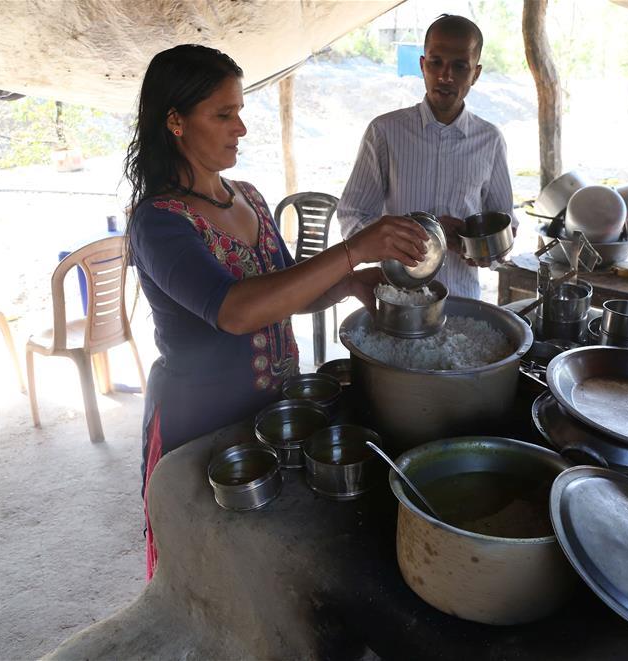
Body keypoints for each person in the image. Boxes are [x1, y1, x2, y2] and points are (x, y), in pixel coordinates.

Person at [124, 44, 428, 579]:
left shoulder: (248, 197)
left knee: (269, 563)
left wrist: (347, 283)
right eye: (223, 114)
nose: (240, 128)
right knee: (210, 572)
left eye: (239, 111)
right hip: (201, 432)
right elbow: (236, 311)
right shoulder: (159, 221)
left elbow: (285, 293)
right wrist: (353, 250)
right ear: (174, 121)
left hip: (272, 416)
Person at [337, 14, 515, 299]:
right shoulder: (385, 132)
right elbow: (352, 217)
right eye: (436, 63)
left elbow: (505, 227)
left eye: (459, 66)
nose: (446, 76)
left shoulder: (490, 140)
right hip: (395, 299)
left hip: (462, 301)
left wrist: (484, 251)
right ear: (422, 65)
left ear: (476, 73)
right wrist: (419, 236)